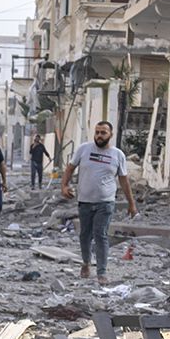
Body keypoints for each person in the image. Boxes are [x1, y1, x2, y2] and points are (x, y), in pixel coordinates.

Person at [62, 121, 138, 283]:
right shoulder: (84, 149)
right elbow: (70, 168)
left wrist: (131, 203)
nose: (99, 136)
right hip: (85, 201)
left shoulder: (118, 155)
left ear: (111, 134)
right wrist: (64, 186)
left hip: (105, 203)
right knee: (85, 235)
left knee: (101, 235)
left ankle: (101, 271)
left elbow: (124, 181)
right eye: (97, 132)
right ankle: (86, 263)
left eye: (103, 133)